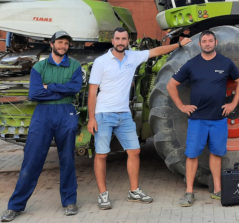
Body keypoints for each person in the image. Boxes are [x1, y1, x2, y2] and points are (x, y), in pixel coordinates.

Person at [87, 27, 191, 209]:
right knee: (101, 155)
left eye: (123, 39)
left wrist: (178, 44)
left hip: (124, 114)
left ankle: (134, 190)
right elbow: (92, 92)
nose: (120, 42)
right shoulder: (101, 62)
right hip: (103, 114)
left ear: (127, 41)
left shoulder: (132, 57)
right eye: (117, 38)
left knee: (134, 151)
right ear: (112, 41)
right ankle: (103, 194)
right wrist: (91, 118)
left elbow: (156, 51)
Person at [1, 31, 83, 222]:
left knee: (67, 160)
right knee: (32, 160)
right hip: (43, 114)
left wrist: (50, 87)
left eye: (66, 43)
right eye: (60, 42)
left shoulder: (75, 66)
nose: (63, 46)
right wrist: (58, 90)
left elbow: (75, 88)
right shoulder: (39, 67)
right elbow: (35, 94)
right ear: (52, 43)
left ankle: (69, 201)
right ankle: (15, 206)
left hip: (66, 113)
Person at [166, 30, 239, 207]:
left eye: (210, 40)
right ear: (200, 44)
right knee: (192, 155)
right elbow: (171, 85)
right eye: (204, 41)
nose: (207, 43)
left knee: (216, 154)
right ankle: (189, 192)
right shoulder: (191, 64)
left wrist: (233, 104)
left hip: (218, 119)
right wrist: (181, 106)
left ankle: (217, 190)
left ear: (215, 42)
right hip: (198, 119)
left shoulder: (225, 63)